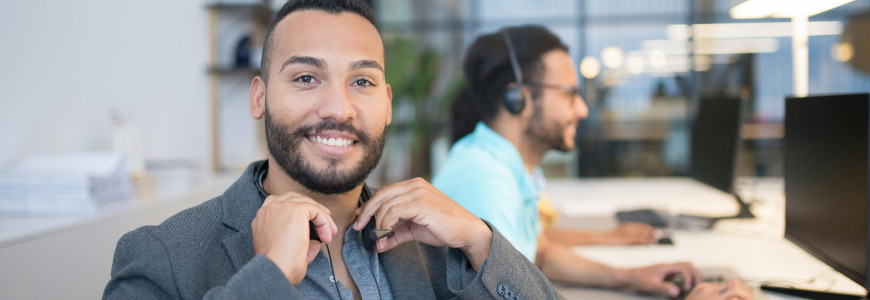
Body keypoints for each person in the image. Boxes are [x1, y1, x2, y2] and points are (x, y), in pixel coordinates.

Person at [103, 1, 559, 299]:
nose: (339, 108)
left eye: (362, 82)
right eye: (306, 78)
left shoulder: (434, 244)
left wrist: (480, 239)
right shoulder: (160, 257)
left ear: (387, 105)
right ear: (259, 97)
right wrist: (269, 275)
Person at [433, 26, 754, 300]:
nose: (583, 110)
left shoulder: (504, 165)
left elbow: (537, 253)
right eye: (570, 94)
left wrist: (630, 277)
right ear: (518, 98)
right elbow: (521, 285)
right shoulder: (486, 180)